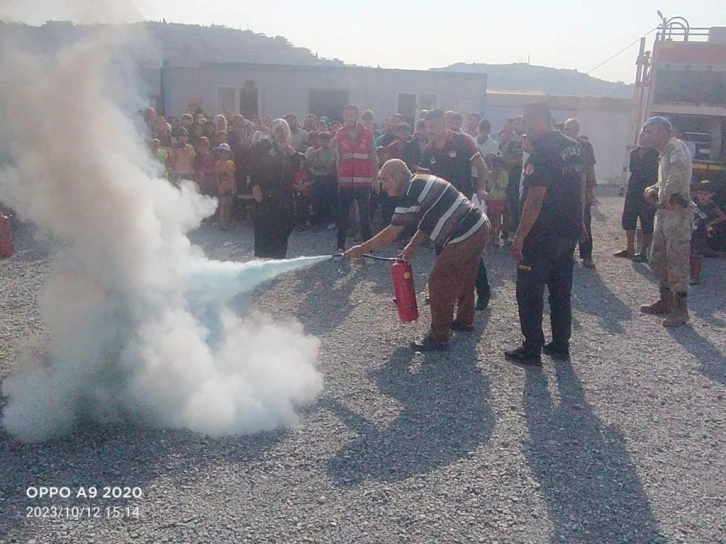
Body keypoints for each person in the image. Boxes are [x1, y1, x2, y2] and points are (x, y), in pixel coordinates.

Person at [344, 159, 489, 352]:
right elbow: (429, 218)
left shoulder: (410, 193)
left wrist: (361, 249)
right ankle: (465, 321)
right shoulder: (419, 183)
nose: (383, 185)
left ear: (399, 175)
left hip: (465, 234)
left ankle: (439, 338)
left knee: (439, 281)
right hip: (479, 227)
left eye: (386, 179)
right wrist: (412, 245)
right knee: (465, 276)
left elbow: (392, 232)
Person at [504, 103, 586, 366]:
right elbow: (581, 184)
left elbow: (535, 196)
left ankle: (532, 350)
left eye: (525, 123)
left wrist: (519, 236)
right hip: (567, 231)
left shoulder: (542, 150)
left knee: (530, 293)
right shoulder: (573, 146)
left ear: (538, 122)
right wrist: (581, 220)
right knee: (561, 291)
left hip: (542, 234)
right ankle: (561, 344)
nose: (522, 129)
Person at [419, 108, 492, 311]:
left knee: (469, 250)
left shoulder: (462, 141)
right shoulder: (429, 150)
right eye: (428, 128)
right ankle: (441, 292)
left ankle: (484, 291)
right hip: (439, 209)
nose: (430, 131)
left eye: (433, 127)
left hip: (462, 207)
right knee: (441, 253)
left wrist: (481, 187)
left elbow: (481, 165)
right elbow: (422, 178)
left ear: (444, 125)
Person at [639, 116, 694, 327]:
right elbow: (666, 179)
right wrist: (653, 189)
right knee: (659, 258)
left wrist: (665, 196)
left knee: (676, 259)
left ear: (663, 131)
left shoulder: (675, 148)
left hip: (677, 213)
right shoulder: (664, 153)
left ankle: (681, 309)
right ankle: (665, 301)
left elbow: (678, 174)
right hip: (665, 213)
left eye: (650, 131)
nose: (645, 135)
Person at [250, 119, 299, 258]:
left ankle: (279, 254)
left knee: (288, 221)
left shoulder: (288, 148)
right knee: (269, 224)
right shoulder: (263, 145)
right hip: (267, 190)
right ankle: (273, 257)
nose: (280, 134)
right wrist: (255, 185)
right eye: (277, 130)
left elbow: (296, 168)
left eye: (283, 130)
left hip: (285, 191)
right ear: (272, 131)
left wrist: (293, 155)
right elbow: (253, 166)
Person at [333, 104, 379, 252]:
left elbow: (374, 157)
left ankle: (368, 250)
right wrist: (338, 177)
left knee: (365, 218)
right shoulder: (339, 134)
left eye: (351, 114)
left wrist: (375, 178)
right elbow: (338, 158)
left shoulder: (368, 134)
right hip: (345, 182)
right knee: (342, 217)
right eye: (346, 115)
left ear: (356, 116)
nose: (349, 117)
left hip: (363, 181)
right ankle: (340, 248)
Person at [615, 133, 659, 261]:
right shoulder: (634, 153)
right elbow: (633, 169)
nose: (643, 139)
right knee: (628, 218)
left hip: (648, 191)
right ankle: (630, 249)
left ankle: (643, 252)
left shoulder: (656, 155)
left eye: (646, 136)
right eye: (641, 137)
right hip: (633, 190)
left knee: (647, 220)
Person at [563, 118, 597, 269]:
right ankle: (566, 253)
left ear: (577, 129)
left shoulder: (585, 146)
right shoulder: (561, 145)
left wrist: (590, 190)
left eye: (569, 129)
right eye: (565, 129)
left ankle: (587, 255)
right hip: (565, 190)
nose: (566, 132)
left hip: (581, 189)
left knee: (585, 221)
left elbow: (590, 169)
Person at [690, 180, 726, 285]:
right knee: (688, 255)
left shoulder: (711, 205)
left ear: (711, 194)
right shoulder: (693, 202)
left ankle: (696, 277)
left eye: (705, 194)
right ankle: (690, 275)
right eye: (700, 193)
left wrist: (710, 223)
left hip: (701, 233)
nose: (702, 196)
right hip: (690, 230)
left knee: (697, 255)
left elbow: (722, 216)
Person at [306, 131, 337, 228]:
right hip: (318, 178)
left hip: (329, 178)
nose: (323, 142)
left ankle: (332, 220)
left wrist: (321, 164)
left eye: (326, 140)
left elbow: (331, 165)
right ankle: (319, 220)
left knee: (330, 199)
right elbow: (313, 165)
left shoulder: (333, 151)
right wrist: (322, 164)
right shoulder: (317, 152)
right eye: (321, 140)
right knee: (318, 199)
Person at [484, 154, 509, 247]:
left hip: (500, 198)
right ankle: (490, 235)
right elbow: (488, 186)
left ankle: (497, 235)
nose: (498, 167)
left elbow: (503, 185)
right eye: (496, 165)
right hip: (491, 198)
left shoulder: (504, 174)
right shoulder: (489, 173)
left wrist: (496, 179)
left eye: (499, 165)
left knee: (498, 217)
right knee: (490, 217)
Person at [214, 143, 236, 230]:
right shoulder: (217, 164)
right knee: (222, 205)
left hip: (230, 187)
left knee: (229, 204)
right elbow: (216, 176)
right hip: (222, 187)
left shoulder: (231, 163)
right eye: (222, 152)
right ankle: (221, 222)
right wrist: (219, 186)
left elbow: (232, 175)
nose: (224, 155)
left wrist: (234, 187)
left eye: (226, 153)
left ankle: (227, 221)